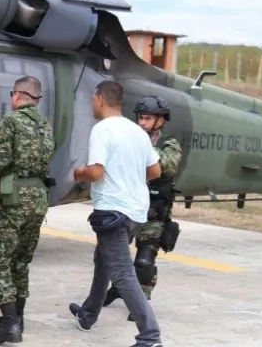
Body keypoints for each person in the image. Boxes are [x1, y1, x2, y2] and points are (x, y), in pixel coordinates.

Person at [69, 80, 164, 347]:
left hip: (113, 210)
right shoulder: (137, 132)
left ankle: (150, 336)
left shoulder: (102, 130)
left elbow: (96, 172)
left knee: (122, 273)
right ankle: (88, 315)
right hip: (135, 212)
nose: (91, 105)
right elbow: (155, 171)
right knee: (103, 261)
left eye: (92, 100)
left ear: (99, 99)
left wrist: (79, 173)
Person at [0, 75, 56, 345]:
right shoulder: (45, 126)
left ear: (17, 95)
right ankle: (17, 316)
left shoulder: (11, 121)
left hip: (13, 198)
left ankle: (9, 325)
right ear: (37, 100)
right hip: (39, 198)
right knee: (21, 260)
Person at [104, 96, 183, 320]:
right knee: (112, 254)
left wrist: (142, 147)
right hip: (126, 206)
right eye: (140, 118)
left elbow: (167, 165)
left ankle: (143, 298)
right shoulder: (129, 138)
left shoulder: (169, 143)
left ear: (160, 121)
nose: (142, 123)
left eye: (147, 119)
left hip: (154, 212)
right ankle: (117, 288)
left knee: (144, 260)